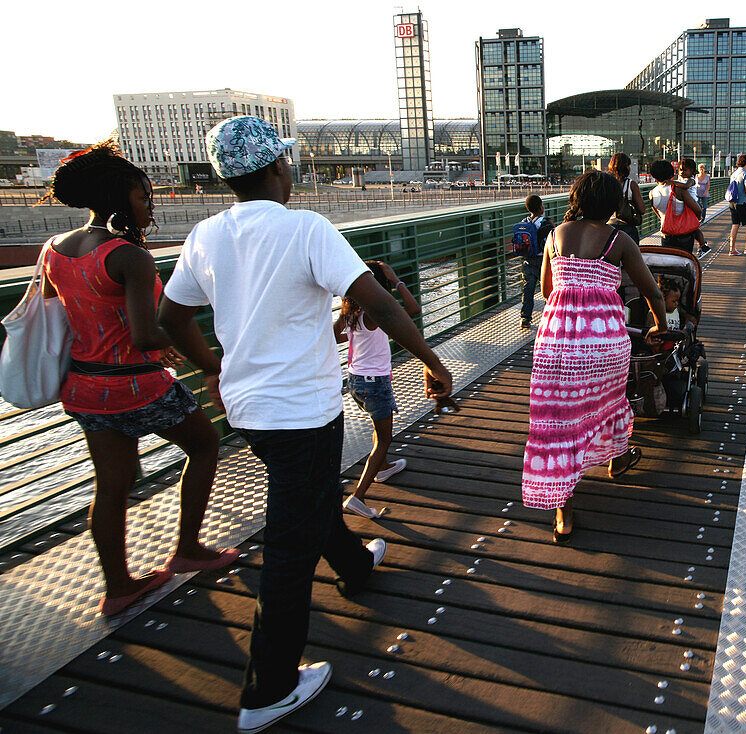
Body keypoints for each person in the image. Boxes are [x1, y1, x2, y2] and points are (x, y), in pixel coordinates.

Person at [157, 116, 453, 734]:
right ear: (272, 170)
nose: (291, 172)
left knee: (307, 495)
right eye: (286, 163)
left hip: (250, 411)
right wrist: (430, 359)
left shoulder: (206, 235)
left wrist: (213, 364)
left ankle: (355, 565)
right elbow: (376, 301)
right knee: (290, 544)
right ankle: (269, 688)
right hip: (303, 410)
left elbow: (170, 315)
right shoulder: (307, 229)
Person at [40, 141, 234, 618]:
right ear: (120, 197)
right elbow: (149, 332)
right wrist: (208, 363)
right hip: (136, 383)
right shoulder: (127, 255)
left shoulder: (54, 250)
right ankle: (188, 547)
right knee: (205, 445)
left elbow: (61, 314)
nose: (149, 206)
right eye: (144, 197)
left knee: (111, 487)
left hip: (85, 386)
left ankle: (118, 586)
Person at [524, 170, 666, 543]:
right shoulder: (618, 240)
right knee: (609, 401)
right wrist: (659, 325)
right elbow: (652, 291)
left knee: (558, 421)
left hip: (556, 340)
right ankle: (616, 460)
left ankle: (563, 512)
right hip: (603, 343)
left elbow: (544, 289)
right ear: (611, 203)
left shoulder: (554, 236)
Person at [334, 260, 421, 519]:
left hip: (355, 380)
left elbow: (335, 335)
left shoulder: (353, 312)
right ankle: (357, 497)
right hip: (375, 383)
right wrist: (397, 281)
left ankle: (382, 467)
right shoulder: (376, 312)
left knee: (378, 426)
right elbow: (413, 309)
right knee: (384, 438)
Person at [649, 160, 702, 253]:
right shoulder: (678, 190)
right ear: (671, 173)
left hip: (666, 233)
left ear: (654, 176)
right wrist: (697, 219)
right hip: (684, 234)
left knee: (669, 262)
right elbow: (697, 210)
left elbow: (657, 212)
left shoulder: (652, 193)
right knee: (685, 262)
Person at [518, 194, 554, 329]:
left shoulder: (524, 222)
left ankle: (525, 318)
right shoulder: (545, 223)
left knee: (528, 289)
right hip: (542, 261)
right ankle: (548, 319)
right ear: (541, 208)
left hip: (527, 261)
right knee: (548, 289)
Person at [606, 153, 645, 245]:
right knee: (631, 256)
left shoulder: (605, 183)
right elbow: (642, 209)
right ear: (626, 167)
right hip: (627, 228)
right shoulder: (631, 184)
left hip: (608, 227)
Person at [677, 158, 711, 254]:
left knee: (694, 227)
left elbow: (685, 187)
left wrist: (671, 182)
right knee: (693, 228)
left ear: (692, 171)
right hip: (687, 205)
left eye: (685, 170)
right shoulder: (681, 179)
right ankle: (703, 245)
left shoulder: (691, 180)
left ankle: (703, 244)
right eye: (680, 170)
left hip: (693, 205)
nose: (682, 172)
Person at [726, 154, 746, 255]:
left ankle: (732, 249)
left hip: (733, 202)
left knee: (735, 224)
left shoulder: (734, 174)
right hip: (743, 203)